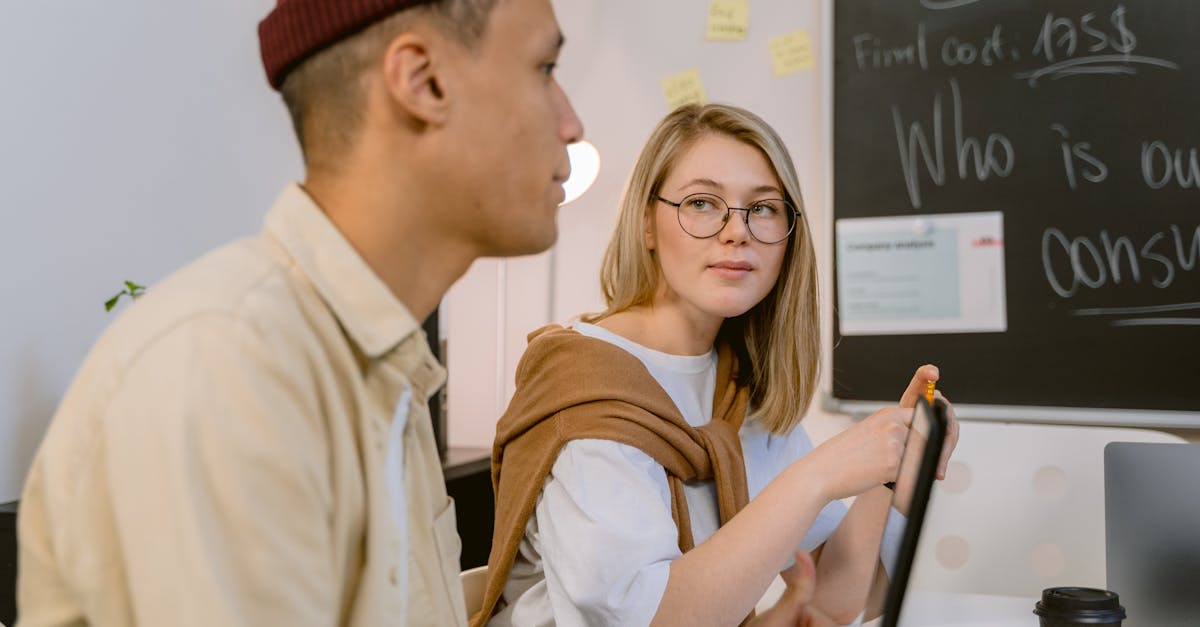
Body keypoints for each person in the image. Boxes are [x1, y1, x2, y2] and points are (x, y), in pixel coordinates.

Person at [16, 0, 584, 625]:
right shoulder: (230, 368)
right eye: (545, 68)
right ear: (425, 82)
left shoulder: (384, 372)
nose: (572, 124)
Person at [472, 103, 959, 627]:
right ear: (647, 226)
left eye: (765, 208)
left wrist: (896, 477)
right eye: (703, 203)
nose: (736, 232)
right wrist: (818, 475)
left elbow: (839, 599)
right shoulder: (585, 390)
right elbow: (652, 618)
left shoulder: (738, 387)